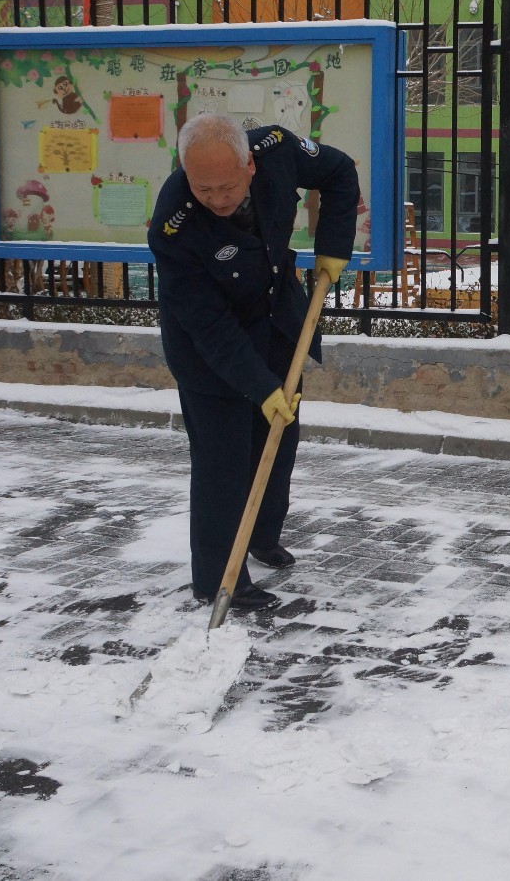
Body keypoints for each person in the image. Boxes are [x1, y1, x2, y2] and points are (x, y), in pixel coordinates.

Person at [148, 114, 359, 610]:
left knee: (278, 442)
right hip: (210, 351)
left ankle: (261, 535)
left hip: (275, 320)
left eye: (226, 187)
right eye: (203, 189)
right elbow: (210, 327)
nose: (217, 199)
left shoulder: (278, 148)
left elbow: (340, 172)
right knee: (223, 462)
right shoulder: (172, 225)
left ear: (249, 165)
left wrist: (333, 248)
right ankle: (220, 577)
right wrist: (259, 387)